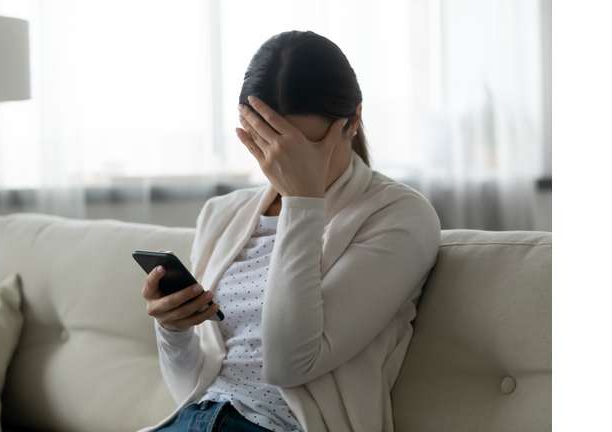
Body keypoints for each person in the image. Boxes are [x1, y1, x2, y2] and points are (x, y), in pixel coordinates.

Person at [138, 30, 441, 432]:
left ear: (353, 122)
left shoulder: (399, 215)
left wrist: (303, 202)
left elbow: (289, 363)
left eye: (305, 147)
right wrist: (173, 331)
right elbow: (189, 390)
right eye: (271, 141)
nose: (286, 158)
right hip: (198, 419)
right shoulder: (221, 214)